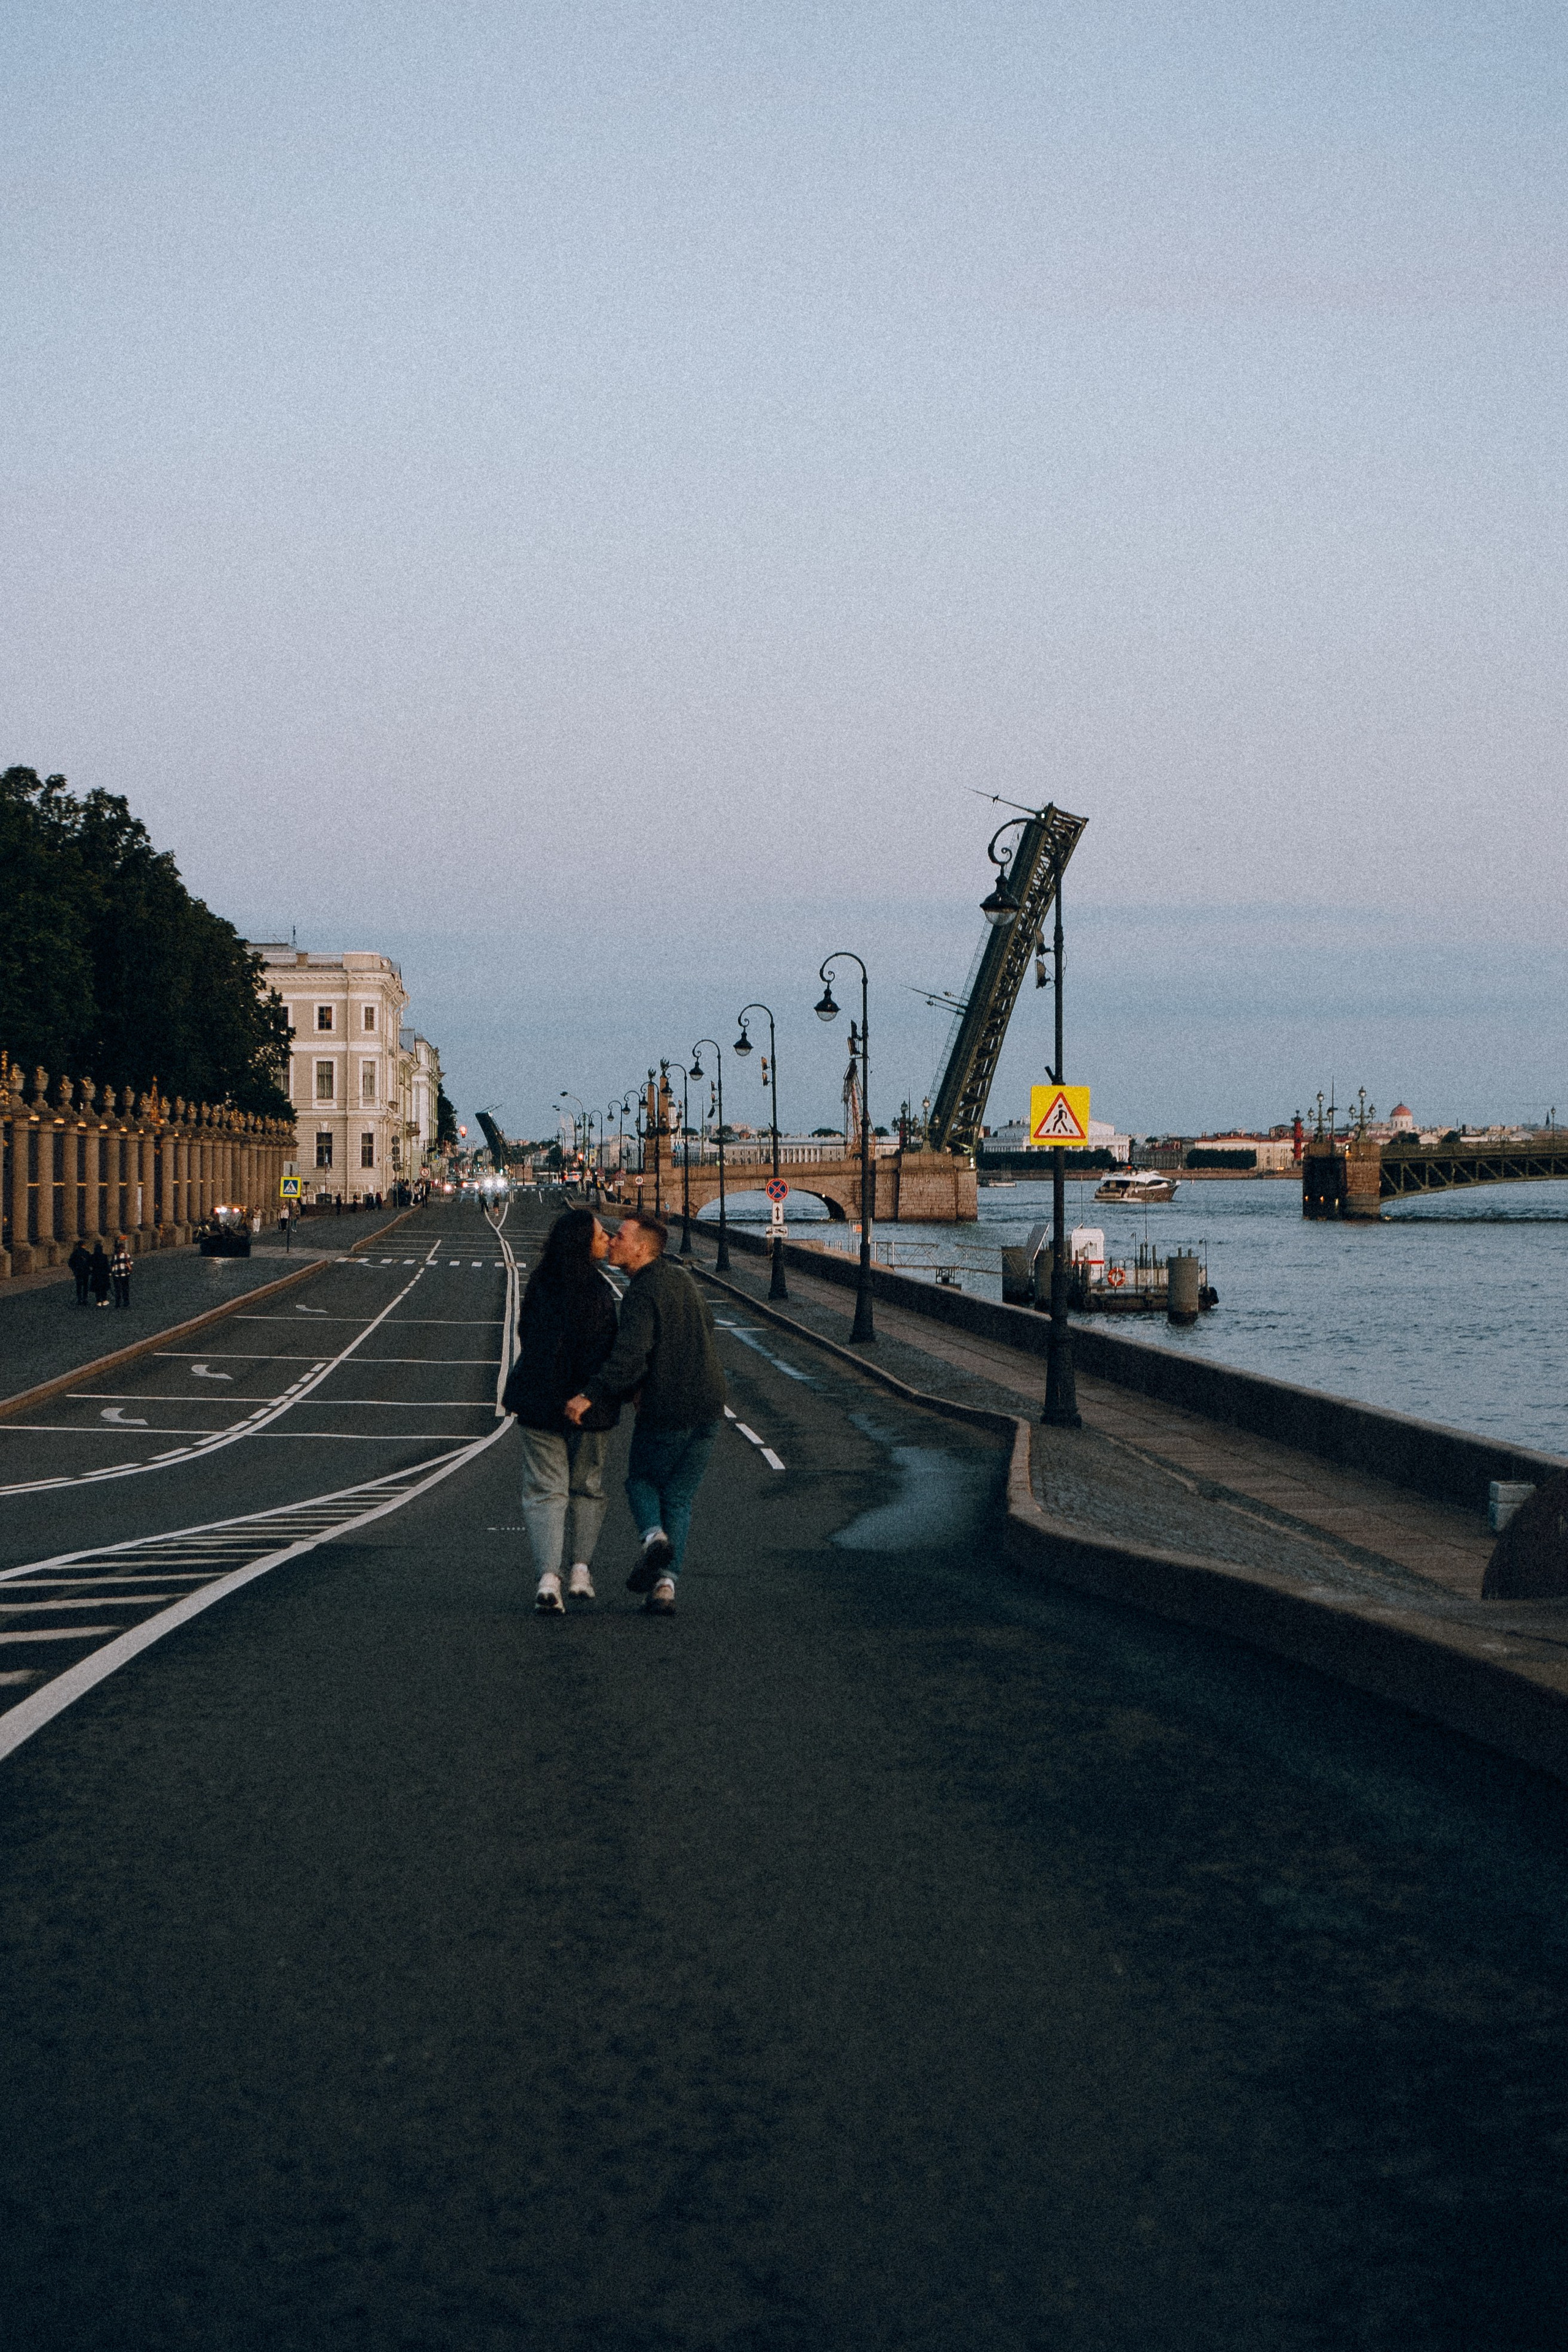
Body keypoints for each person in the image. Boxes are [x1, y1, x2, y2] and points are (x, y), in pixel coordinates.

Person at [565, 1209, 726, 1618]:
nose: (613, 1241)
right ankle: (665, 1587)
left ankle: (653, 1539)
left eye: (620, 1236)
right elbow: (707, 1326)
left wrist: (592, 1395)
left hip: (668, 1407)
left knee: (641, 1482)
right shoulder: (683, 1279)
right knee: (680, 1497)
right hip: (709, 1407)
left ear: (641, 1248)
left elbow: (631, 1355)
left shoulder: (642, 1292)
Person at [502, 1207, 620, 1614]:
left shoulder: (540, 1283)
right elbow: (606, 1351)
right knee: (588, 1486)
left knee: (545, 1491)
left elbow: (528, 1337)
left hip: (539, 1402)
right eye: (602, 1233)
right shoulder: (600, 1291)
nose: (608, 1238)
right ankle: (581, 1570)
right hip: (590, 1409)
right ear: (583, 1242)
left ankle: (549, 1579)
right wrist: (587, 1394)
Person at [68, 1240, 92, 1306]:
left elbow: (70, 1263)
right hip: (85, 1271)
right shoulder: (86, 1253)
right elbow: (90, 1262)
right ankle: (85, 1299)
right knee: (85, 1286)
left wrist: (74, 1269)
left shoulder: (75, 1253)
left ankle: (79, 1299)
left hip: (78, 1271)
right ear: (84, 1245)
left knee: (79, 1286)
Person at [89, 1240, 111, 1307]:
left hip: (96, 1274)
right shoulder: (104, 1256)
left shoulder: (93, 1256)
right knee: (103, 1288)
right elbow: (107, 1265)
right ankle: (104, 1300)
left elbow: (90, 1264)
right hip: (103, 1274)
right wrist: (109, 1272)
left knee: (97, 1288)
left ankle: (98, 1301)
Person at [110, 1238, 132, 1308]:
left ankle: (118, 1303)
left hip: (117, 1274)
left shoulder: (115, 1256)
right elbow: (130, 1264)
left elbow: (112, 1265)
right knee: (125, 1288)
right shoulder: (127, 1255)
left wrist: (111, 1273)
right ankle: (126, 1301)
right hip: (125, 1274)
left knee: (118, 1289)